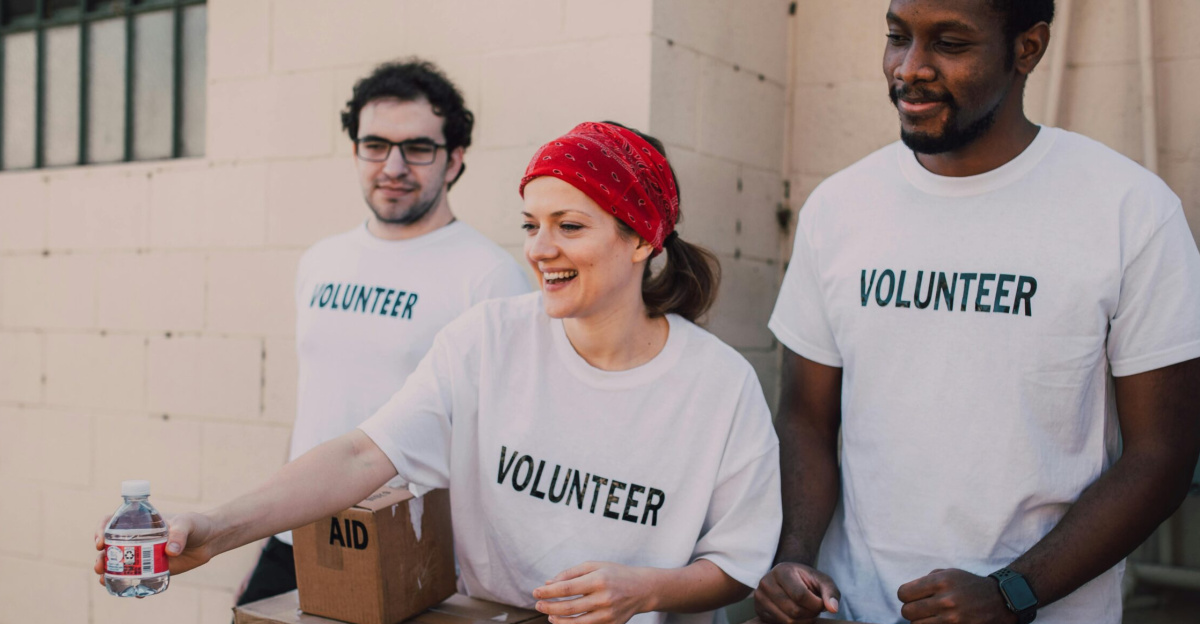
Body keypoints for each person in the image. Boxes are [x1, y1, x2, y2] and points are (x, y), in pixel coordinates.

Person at [96, 122, 782, 624]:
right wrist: (215, 530)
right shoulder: (489, 339)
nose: (540, 249)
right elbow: (363, 453)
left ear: (641, 238)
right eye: (531, 223)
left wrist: (647, 590)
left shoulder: (718, 386)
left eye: (569, 225)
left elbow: (735, 565)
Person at [754, 1, 1200, 622]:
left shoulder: (1131, 212)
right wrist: (795, 555)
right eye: (897, 37)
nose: (910, 68)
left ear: (1028, 48)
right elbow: (806, 418)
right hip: (853, 610)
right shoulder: (839, 208)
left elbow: (1162, 455)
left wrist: (1012, 593)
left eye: (950, 43)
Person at [237, 59, 530, 606]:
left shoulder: (490, 277)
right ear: (355, 152)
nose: (393, 165)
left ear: (455, 159)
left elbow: (506, 440)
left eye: (418, 148)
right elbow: (317, 404)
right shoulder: (321, 261)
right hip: (297, 534)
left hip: (410, 548)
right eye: (375, 145)